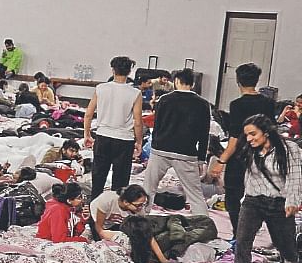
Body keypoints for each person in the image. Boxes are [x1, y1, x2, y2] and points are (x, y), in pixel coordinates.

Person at [225, 114, 302, 263]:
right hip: (253, 201)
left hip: (279, 203)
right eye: (247, 135)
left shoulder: (289, 149)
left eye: (253, 134)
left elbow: (295, 177)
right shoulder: (250, 150)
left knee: (286, 247)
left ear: (266, 132)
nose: (249, 139)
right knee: (242, 242)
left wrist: (293, 201)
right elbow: (248, 176)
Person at [209, 63, 276, 234]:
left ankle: (240, 231)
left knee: (233, 196)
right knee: (259, 194)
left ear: (238, 81)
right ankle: (253, 229)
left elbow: (234, 138)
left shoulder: (237, 105)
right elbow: (272, 132)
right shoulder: (268, 103)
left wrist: (221, 160)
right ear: (256, 80)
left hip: (241, 156)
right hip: (262, 155)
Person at [144, 68, 212, 214]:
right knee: (195, 195)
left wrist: (154, 146)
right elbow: (204, 134)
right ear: (192, 84)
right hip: (186, 153)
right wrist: (201, 159)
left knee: (148, 189)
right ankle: (204, 226)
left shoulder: (164, 100)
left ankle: (140, 221)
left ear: (176, 81)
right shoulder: (203, 104)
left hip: (160, 150)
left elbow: (157, 127)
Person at [83, 56, 144, 199]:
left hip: (103, 137)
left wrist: (87, 134)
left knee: (98, 179)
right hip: (124, 140)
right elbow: (137, 121)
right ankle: (116, 214)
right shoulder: (135, 93)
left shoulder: (101, 88)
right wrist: (139, 141)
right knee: (120, 183)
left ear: (112, 70)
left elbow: (88, 114)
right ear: (129, 72)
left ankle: (94, 215)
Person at [119, 214, 218, 263]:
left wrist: (164, 259)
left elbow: (151, 237)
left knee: (205, 223)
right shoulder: (124, 241)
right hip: (160, 243)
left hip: (168, 236)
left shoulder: (144, 223)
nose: (140, 207)